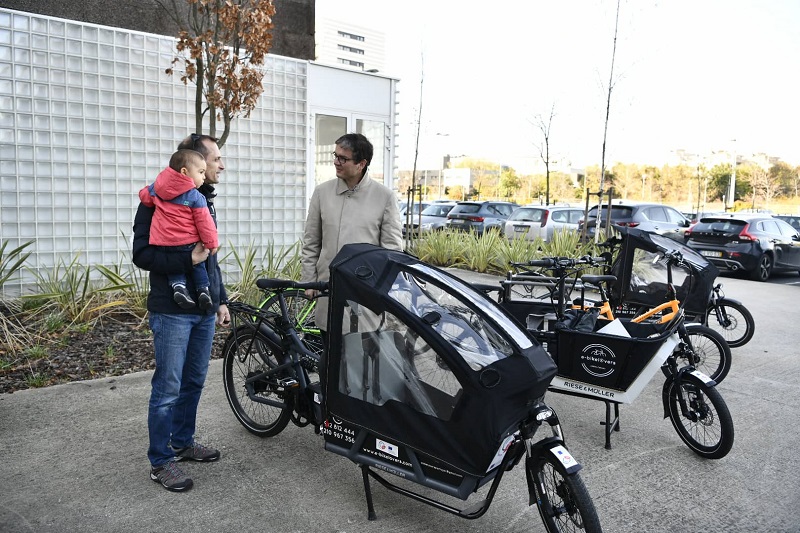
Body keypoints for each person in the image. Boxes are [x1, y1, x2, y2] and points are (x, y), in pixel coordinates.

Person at [132, 134, 230, 493]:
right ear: (192, 165)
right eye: (215, 160)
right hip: (171, 311)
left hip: (203, 309)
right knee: (168, 387)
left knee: (194, 381)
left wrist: (220, 300)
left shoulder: (202, 200)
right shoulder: (155, 200)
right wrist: (186, 260)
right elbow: (141, 254)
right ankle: (160, 461)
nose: (220, 166)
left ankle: (182, 441)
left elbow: (212, 256)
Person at [301, 132, 403, 335]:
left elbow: (392, 252)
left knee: (361, 360)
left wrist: (380, 291)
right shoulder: (322, 193)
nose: (336, 162)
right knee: (329, 358)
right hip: (327, 289)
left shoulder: (384, 197)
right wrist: (309, 281)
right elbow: (311, 242)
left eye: (343, 158)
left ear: (361, 163)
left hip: (365, 296)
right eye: (335, 155)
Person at [138, 149, 220, 310]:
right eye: (201, 172)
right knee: (197, 264)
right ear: (185, 172)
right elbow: (205, 223)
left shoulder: (156, 189)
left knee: (175, 265)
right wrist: (211, 243)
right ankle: (203, 289)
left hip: (163, 243)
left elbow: (145, 197)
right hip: (187, 241)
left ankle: (178, 287)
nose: (204, 176)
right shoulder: (195, 196)